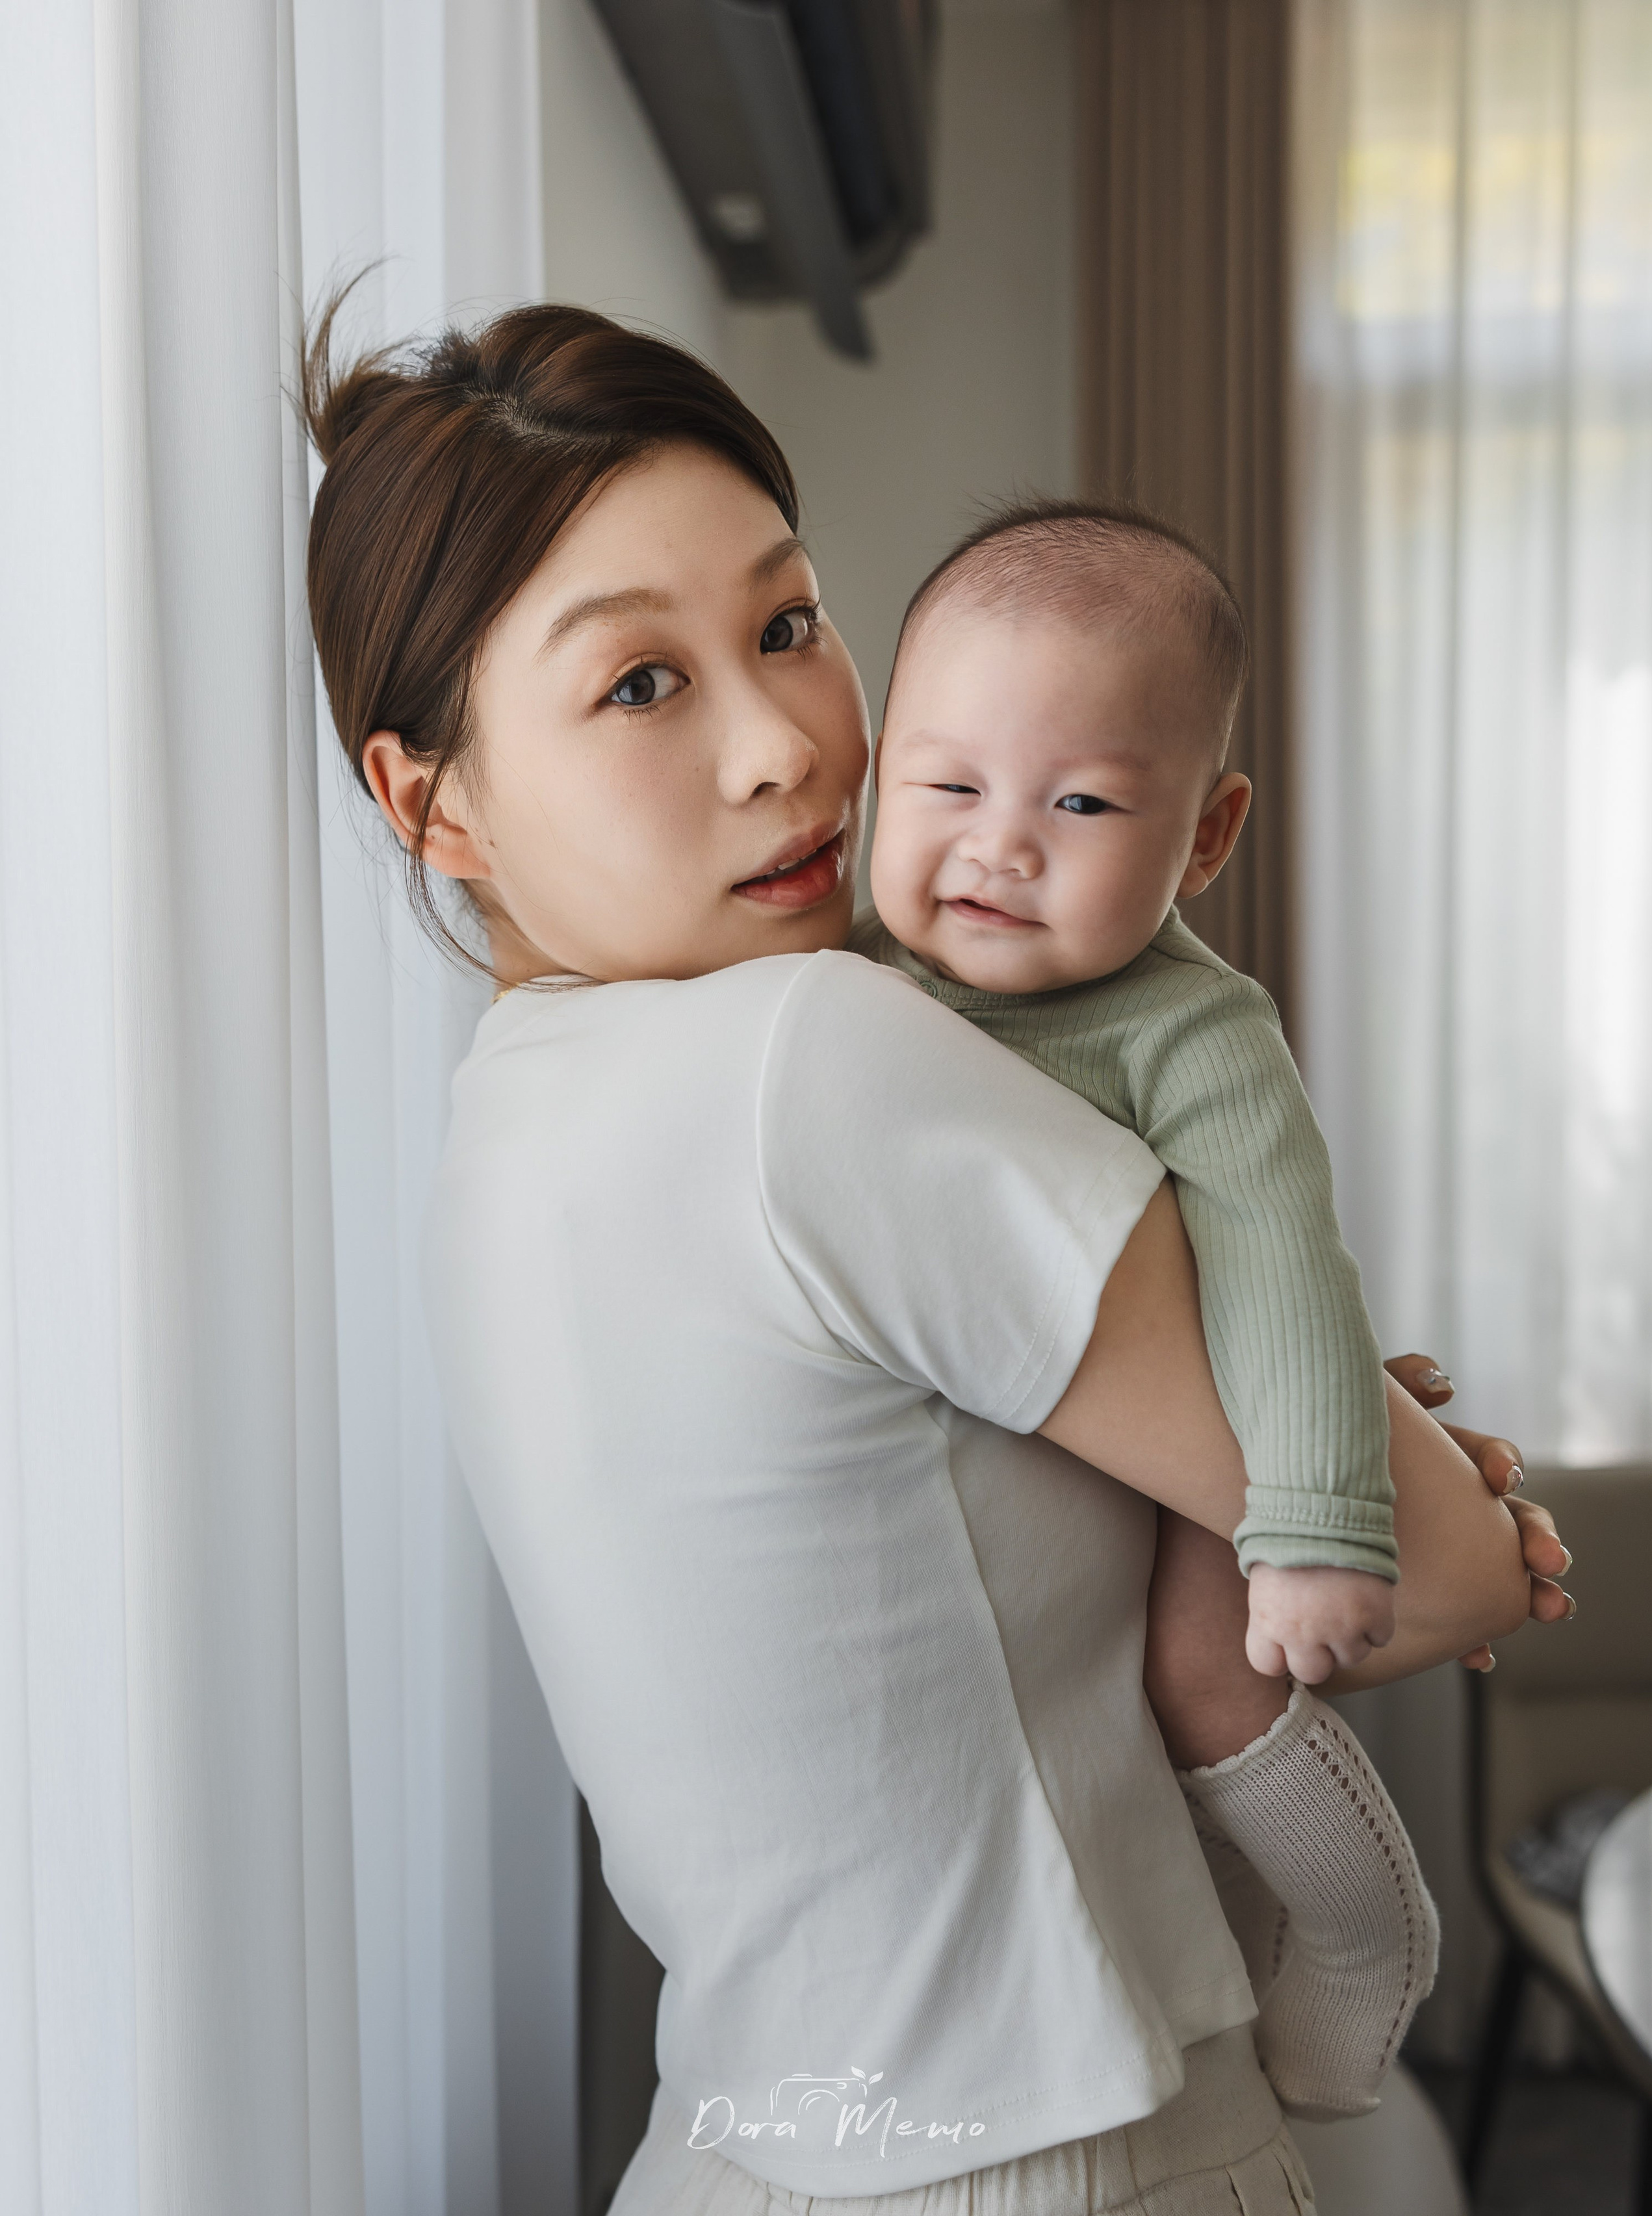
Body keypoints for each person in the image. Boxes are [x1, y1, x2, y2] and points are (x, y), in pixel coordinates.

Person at [301, 296, 1572, 2215]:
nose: (784, 749)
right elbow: (1446, 1575)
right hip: (1063, 2157)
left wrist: (1246, 1428)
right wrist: (1374, 1468)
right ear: (434, 800)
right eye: (641, 687)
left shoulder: (512, 1116)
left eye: (789, 626)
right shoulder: (815, 1060)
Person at [851, 496, 1434, 2117]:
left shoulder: (1191, 1031)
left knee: (1205, 1676)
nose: (997, 842)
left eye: (1082, 799)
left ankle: (1361, 1928)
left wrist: (1316, 1515)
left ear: (1203, 836)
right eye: (946, 782)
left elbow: (1279, 1255)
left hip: (1175, 1443)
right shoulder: (845, 987)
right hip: (998, 1465)